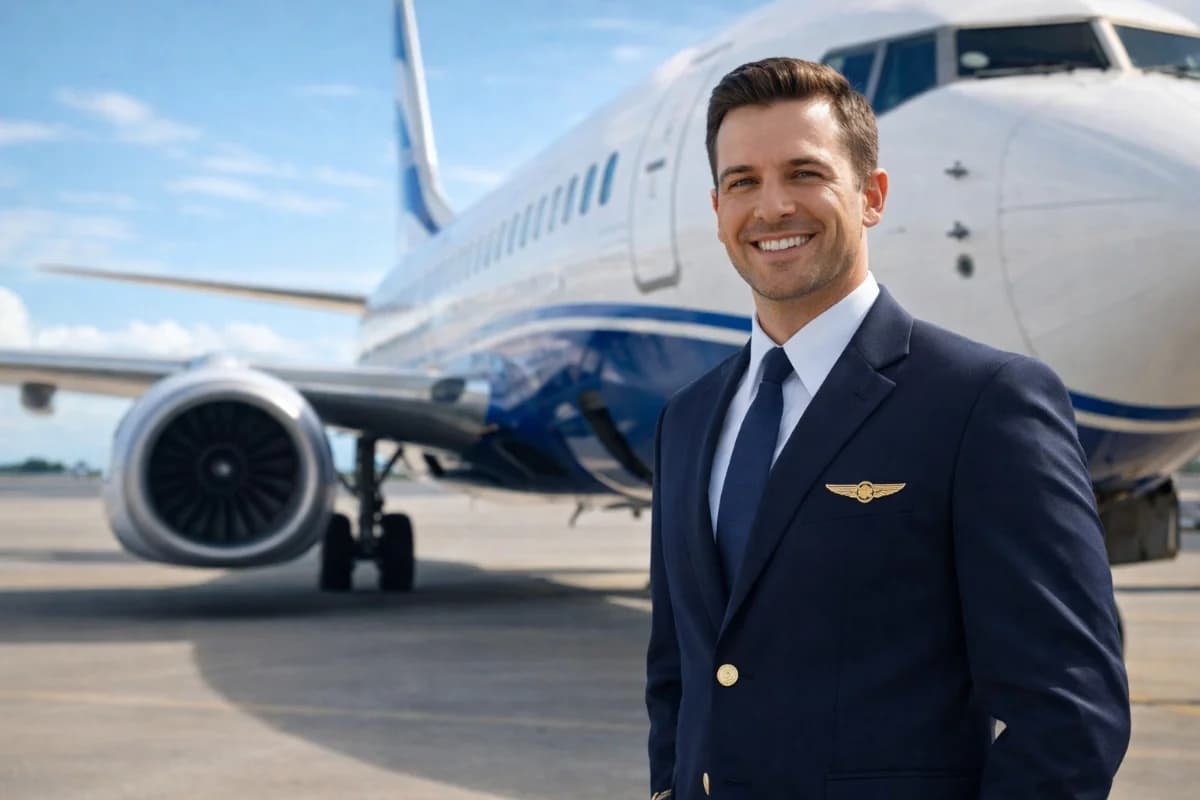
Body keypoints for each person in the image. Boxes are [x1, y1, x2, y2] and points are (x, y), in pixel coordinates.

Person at [645, 58, 1130, 800]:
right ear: (717, 210)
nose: (772, 208)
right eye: (743, 181)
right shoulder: (687, 419)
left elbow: (1070, 715)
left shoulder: (984, 403)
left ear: (871, 196)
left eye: (805, 173)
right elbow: (679, 674)